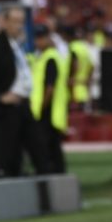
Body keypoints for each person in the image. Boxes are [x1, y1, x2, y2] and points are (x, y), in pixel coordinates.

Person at [0, 4, 49, 177]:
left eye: (22, 22)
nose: (19, 26)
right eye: (15, 21)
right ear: (3, 21)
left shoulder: (18, 45)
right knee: (7, 153)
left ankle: (44, 187)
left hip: (23, 106)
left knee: (38, 148)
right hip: (7, 110)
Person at [30, 24, 69, 174]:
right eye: (36, 38)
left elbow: (49, 88)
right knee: (53, 147)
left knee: (48, 148)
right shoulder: (41, 57)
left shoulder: (50, 58)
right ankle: (58, 176)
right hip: (47, 110)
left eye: (41, 38)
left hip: (49, 111)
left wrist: (41, 107)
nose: (38, 42)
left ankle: (52, 175)